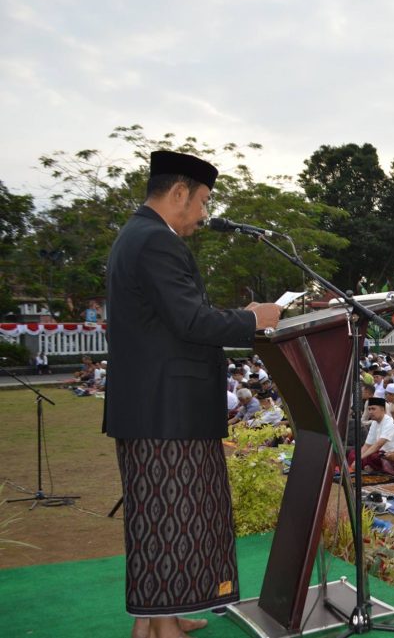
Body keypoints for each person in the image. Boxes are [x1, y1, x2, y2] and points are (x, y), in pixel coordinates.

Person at [103, 150, 281, 637]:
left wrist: (239, 316)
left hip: (155, 407)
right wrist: (253, 319)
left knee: (161, 519)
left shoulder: (136, 236)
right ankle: (159, 627)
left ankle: (157, 619)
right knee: (170, 518)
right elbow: (190, 321)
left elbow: (173, 320)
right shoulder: (156, 242)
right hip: (167, 411)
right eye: (202, 201)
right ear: (178, 192)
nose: (204, 214)